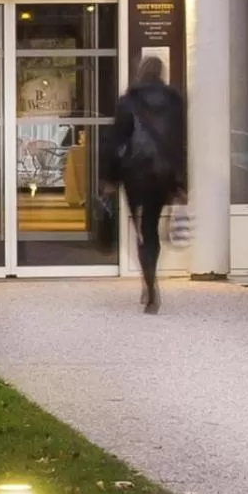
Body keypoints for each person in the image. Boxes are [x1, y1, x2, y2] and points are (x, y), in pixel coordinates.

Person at [100, 55, 187, 314]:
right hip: (163, 174)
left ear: (140, 72)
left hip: (135, 174)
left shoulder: (128, 101)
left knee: (141, 230)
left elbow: (116, 142)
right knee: (151, 226)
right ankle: (150, 280)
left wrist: (110, 178)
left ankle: (150, 285)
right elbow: (179, 143)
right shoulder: (174, 102)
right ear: (161, 73)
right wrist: (180, 182)